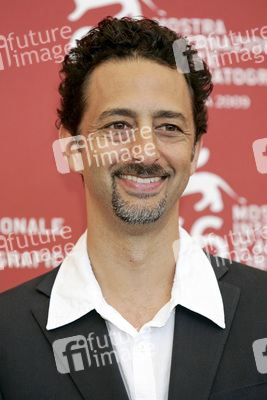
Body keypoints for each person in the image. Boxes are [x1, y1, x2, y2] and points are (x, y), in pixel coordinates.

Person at [0, 16, 267, 400]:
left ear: (194, 152)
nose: (144, 152)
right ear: (73, 150)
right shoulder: (6, 333)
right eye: (118, 125)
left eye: (169, 127)